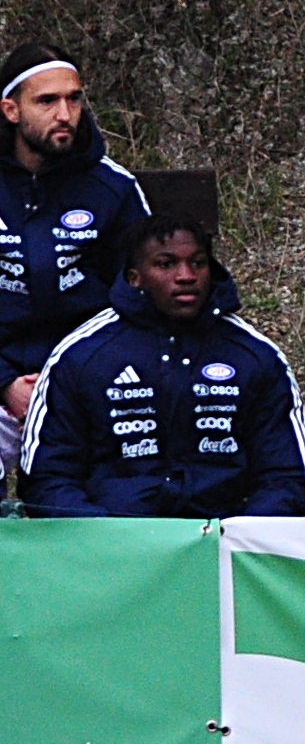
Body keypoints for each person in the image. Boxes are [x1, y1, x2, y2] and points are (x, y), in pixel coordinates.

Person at [17, 214, 305, 517]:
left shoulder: (256, 356)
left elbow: (287, 479)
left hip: (223, 544)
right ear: (135, 277)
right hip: (113, 544)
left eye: (198, 263)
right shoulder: (80, 355)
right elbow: (46, 479)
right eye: (166, 264)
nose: (186, 275)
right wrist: (106, 537)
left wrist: (236, 535)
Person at [1, 44, 153, 458]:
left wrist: (70, 376)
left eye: (74, 99)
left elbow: (141, 296)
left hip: (87, 376)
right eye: (47, 101)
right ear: (11, 111)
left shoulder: (112, 189)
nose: (65, 114)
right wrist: (5, 382)